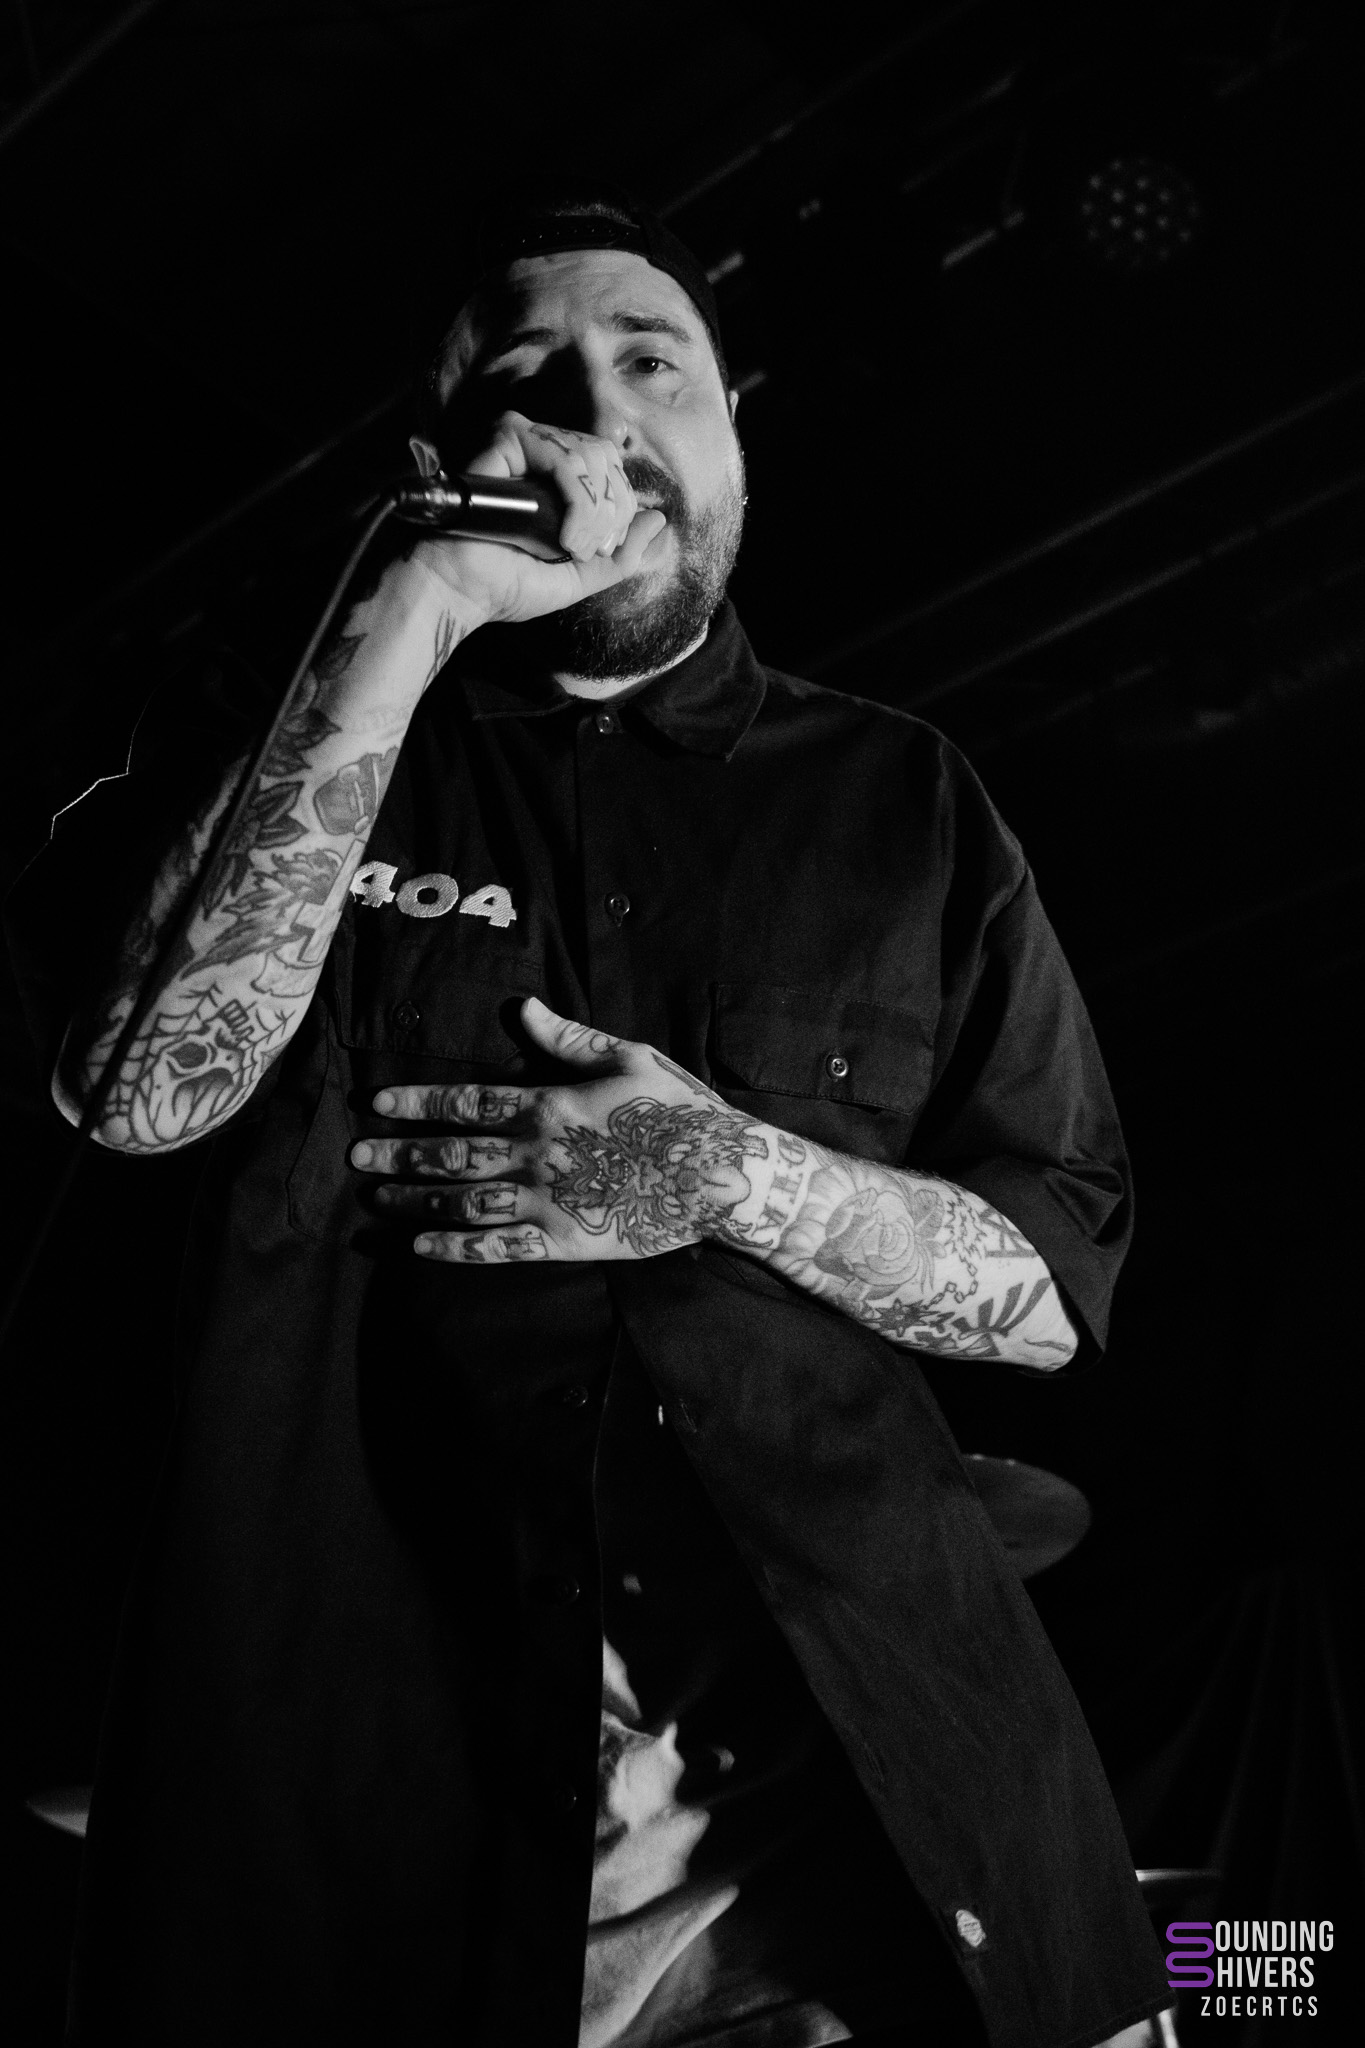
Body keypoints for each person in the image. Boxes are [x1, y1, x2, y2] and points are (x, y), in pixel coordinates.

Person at [8, 194, 1171, 2047]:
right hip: (371, 1851)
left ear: (728, 444)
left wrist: (727, 1173)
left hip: (868, 1853)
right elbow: (140, 1092)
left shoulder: (900, 800)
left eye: (652, 365)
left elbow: (1048, 1293)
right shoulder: (288, 718)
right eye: (527, 377)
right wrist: (413, 608)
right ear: (443, 450)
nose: (596, 411)